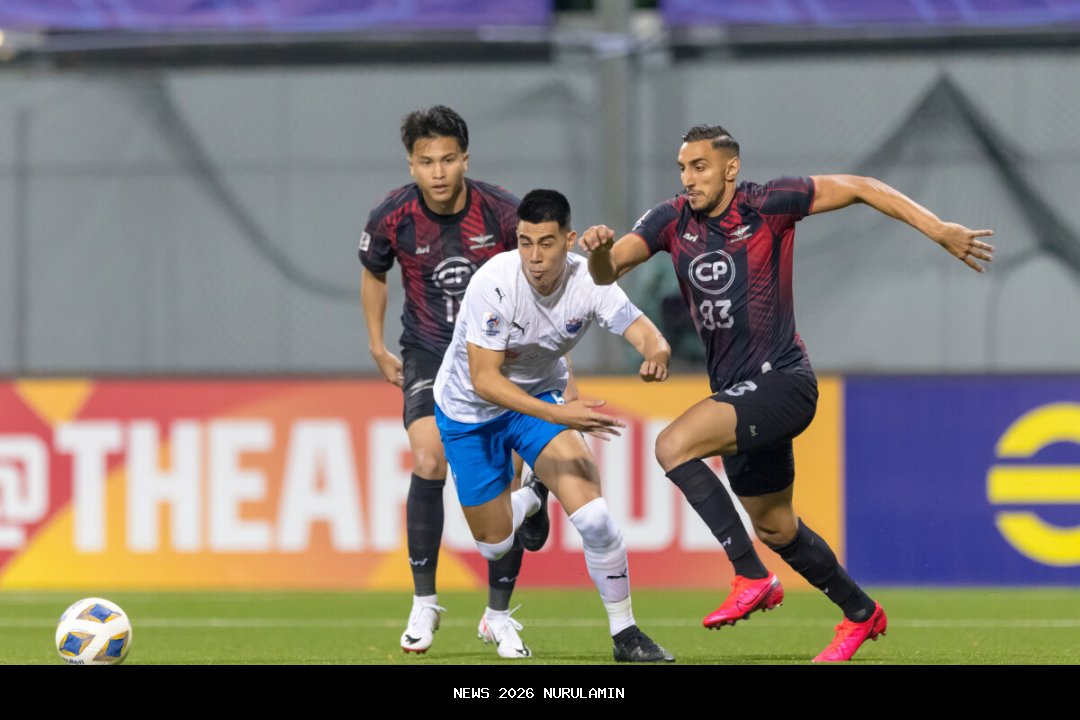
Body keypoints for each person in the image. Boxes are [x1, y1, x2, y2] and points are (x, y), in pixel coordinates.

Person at [579, 124, 994, 662]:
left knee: (671, 446)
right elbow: (608, 271)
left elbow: (863, 185)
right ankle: (861, 614)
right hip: (738, 394)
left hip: (784, 382)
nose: (688, 179)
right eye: (683, 168)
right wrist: (598, 250)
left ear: (730, 167)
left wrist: (937, 229)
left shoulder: (769, 203)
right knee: (776, 526)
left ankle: (749, 575)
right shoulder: (669, 220)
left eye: (699, 166)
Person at [433, 189, 676, 662]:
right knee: (495, 545)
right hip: (470, 411)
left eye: (546, 243)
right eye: (525, 242)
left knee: (597, 520)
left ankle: (626, 637)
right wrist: (562, 414)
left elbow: (647, 334)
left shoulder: (590, 281)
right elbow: (485, 380)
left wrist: (657, 356)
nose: (535, 257)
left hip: (537, 402)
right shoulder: (494, 283)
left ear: (569, 241)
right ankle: (531, 496)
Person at [359, 105, 552, 657]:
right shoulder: (391, 216)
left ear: (465, 158)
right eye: (426, 162)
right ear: (411, 165)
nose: (438, 172)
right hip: (427, 351)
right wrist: (375, 344)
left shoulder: (504, 213)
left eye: (448, 159)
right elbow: (374, 272)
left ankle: (498, 614)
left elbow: (543, 275)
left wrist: (551, 360)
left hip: (495, 356)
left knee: (503, 483)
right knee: (427, 459)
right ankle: (424, 602)